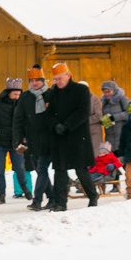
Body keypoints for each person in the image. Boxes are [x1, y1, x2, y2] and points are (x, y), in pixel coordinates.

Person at [45, 63, 99, 211]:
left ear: (68, 75)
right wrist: (55, 125)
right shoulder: (54, 92)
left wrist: (67, 125)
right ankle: (60, 203)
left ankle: (93, 196)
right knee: (60, 171)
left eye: (60, 78)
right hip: (60, 137)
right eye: (55, 79)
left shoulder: (81, 90)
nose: (58, 82)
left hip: (77, 136)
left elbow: (83, 111)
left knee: (81, 169)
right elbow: (49, 113)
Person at [0, 78, 31, 205]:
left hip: (16, 143)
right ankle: (1, 194)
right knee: (0, 170)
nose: (17, 97)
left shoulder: (22, 105)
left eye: (19, 94)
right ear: (8, 93)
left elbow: (27, 123)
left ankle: (24, 188)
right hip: (0, 142)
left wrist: (26, 139)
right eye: (15, 94)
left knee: (20, 168)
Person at [13, 66, 55, 211]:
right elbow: (19, 119)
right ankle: (52, 197)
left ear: (43, 81)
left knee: (42, 168)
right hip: (33, 138)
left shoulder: (50, 94)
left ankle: (37, 200)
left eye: (37, 80)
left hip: (49, 138)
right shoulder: (26, 97)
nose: (34, 83)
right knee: (39, 169)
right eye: (32, 80)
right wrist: (18, 139)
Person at [100, 80, 130, 155]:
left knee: (120, 155)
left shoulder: (122, 99)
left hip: (121, 132)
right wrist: (103, 120)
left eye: (108, 91)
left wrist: (114, 117)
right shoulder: (105, 102)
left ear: (114, 90)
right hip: (109, 134)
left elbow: (129, 113)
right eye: (105, 92)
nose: (106, 94)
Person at [81, 81, 104, 157]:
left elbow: (98, 115)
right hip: (81, 132)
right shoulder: (74, 100)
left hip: (94, 131)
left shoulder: (93, 98)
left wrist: (83, 121)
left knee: (94, 156)